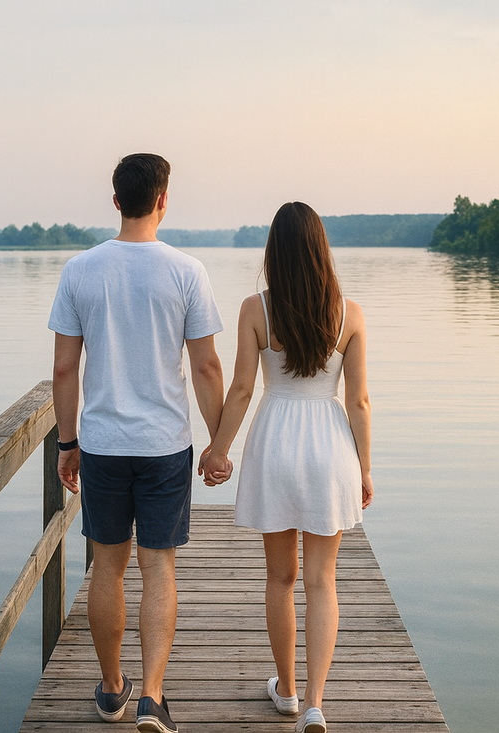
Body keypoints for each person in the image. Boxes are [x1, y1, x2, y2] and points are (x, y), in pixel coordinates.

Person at [48, 153, 227, 733]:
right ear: (163, 200)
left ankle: (111, 688)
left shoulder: (80, 270)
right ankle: (152, 696)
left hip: (101, 443)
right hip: (163, 445)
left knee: (107, 568)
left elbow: (64, 371)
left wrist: (67, 442)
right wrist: (219, 440)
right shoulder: (186, 272)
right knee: (159, 568)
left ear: (117, 201)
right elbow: (205, 368)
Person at [201, 201, 374, 733]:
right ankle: (317, 704)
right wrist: (365, 470)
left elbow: (243, 389)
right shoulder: (350, 313)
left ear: (273, 251)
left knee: (281, 578)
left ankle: (288, 691)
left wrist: (219, 450)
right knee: (322, 580)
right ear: (322, 249)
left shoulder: (256, 309)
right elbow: (359, 401)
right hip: (330, 447)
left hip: (276, 441)